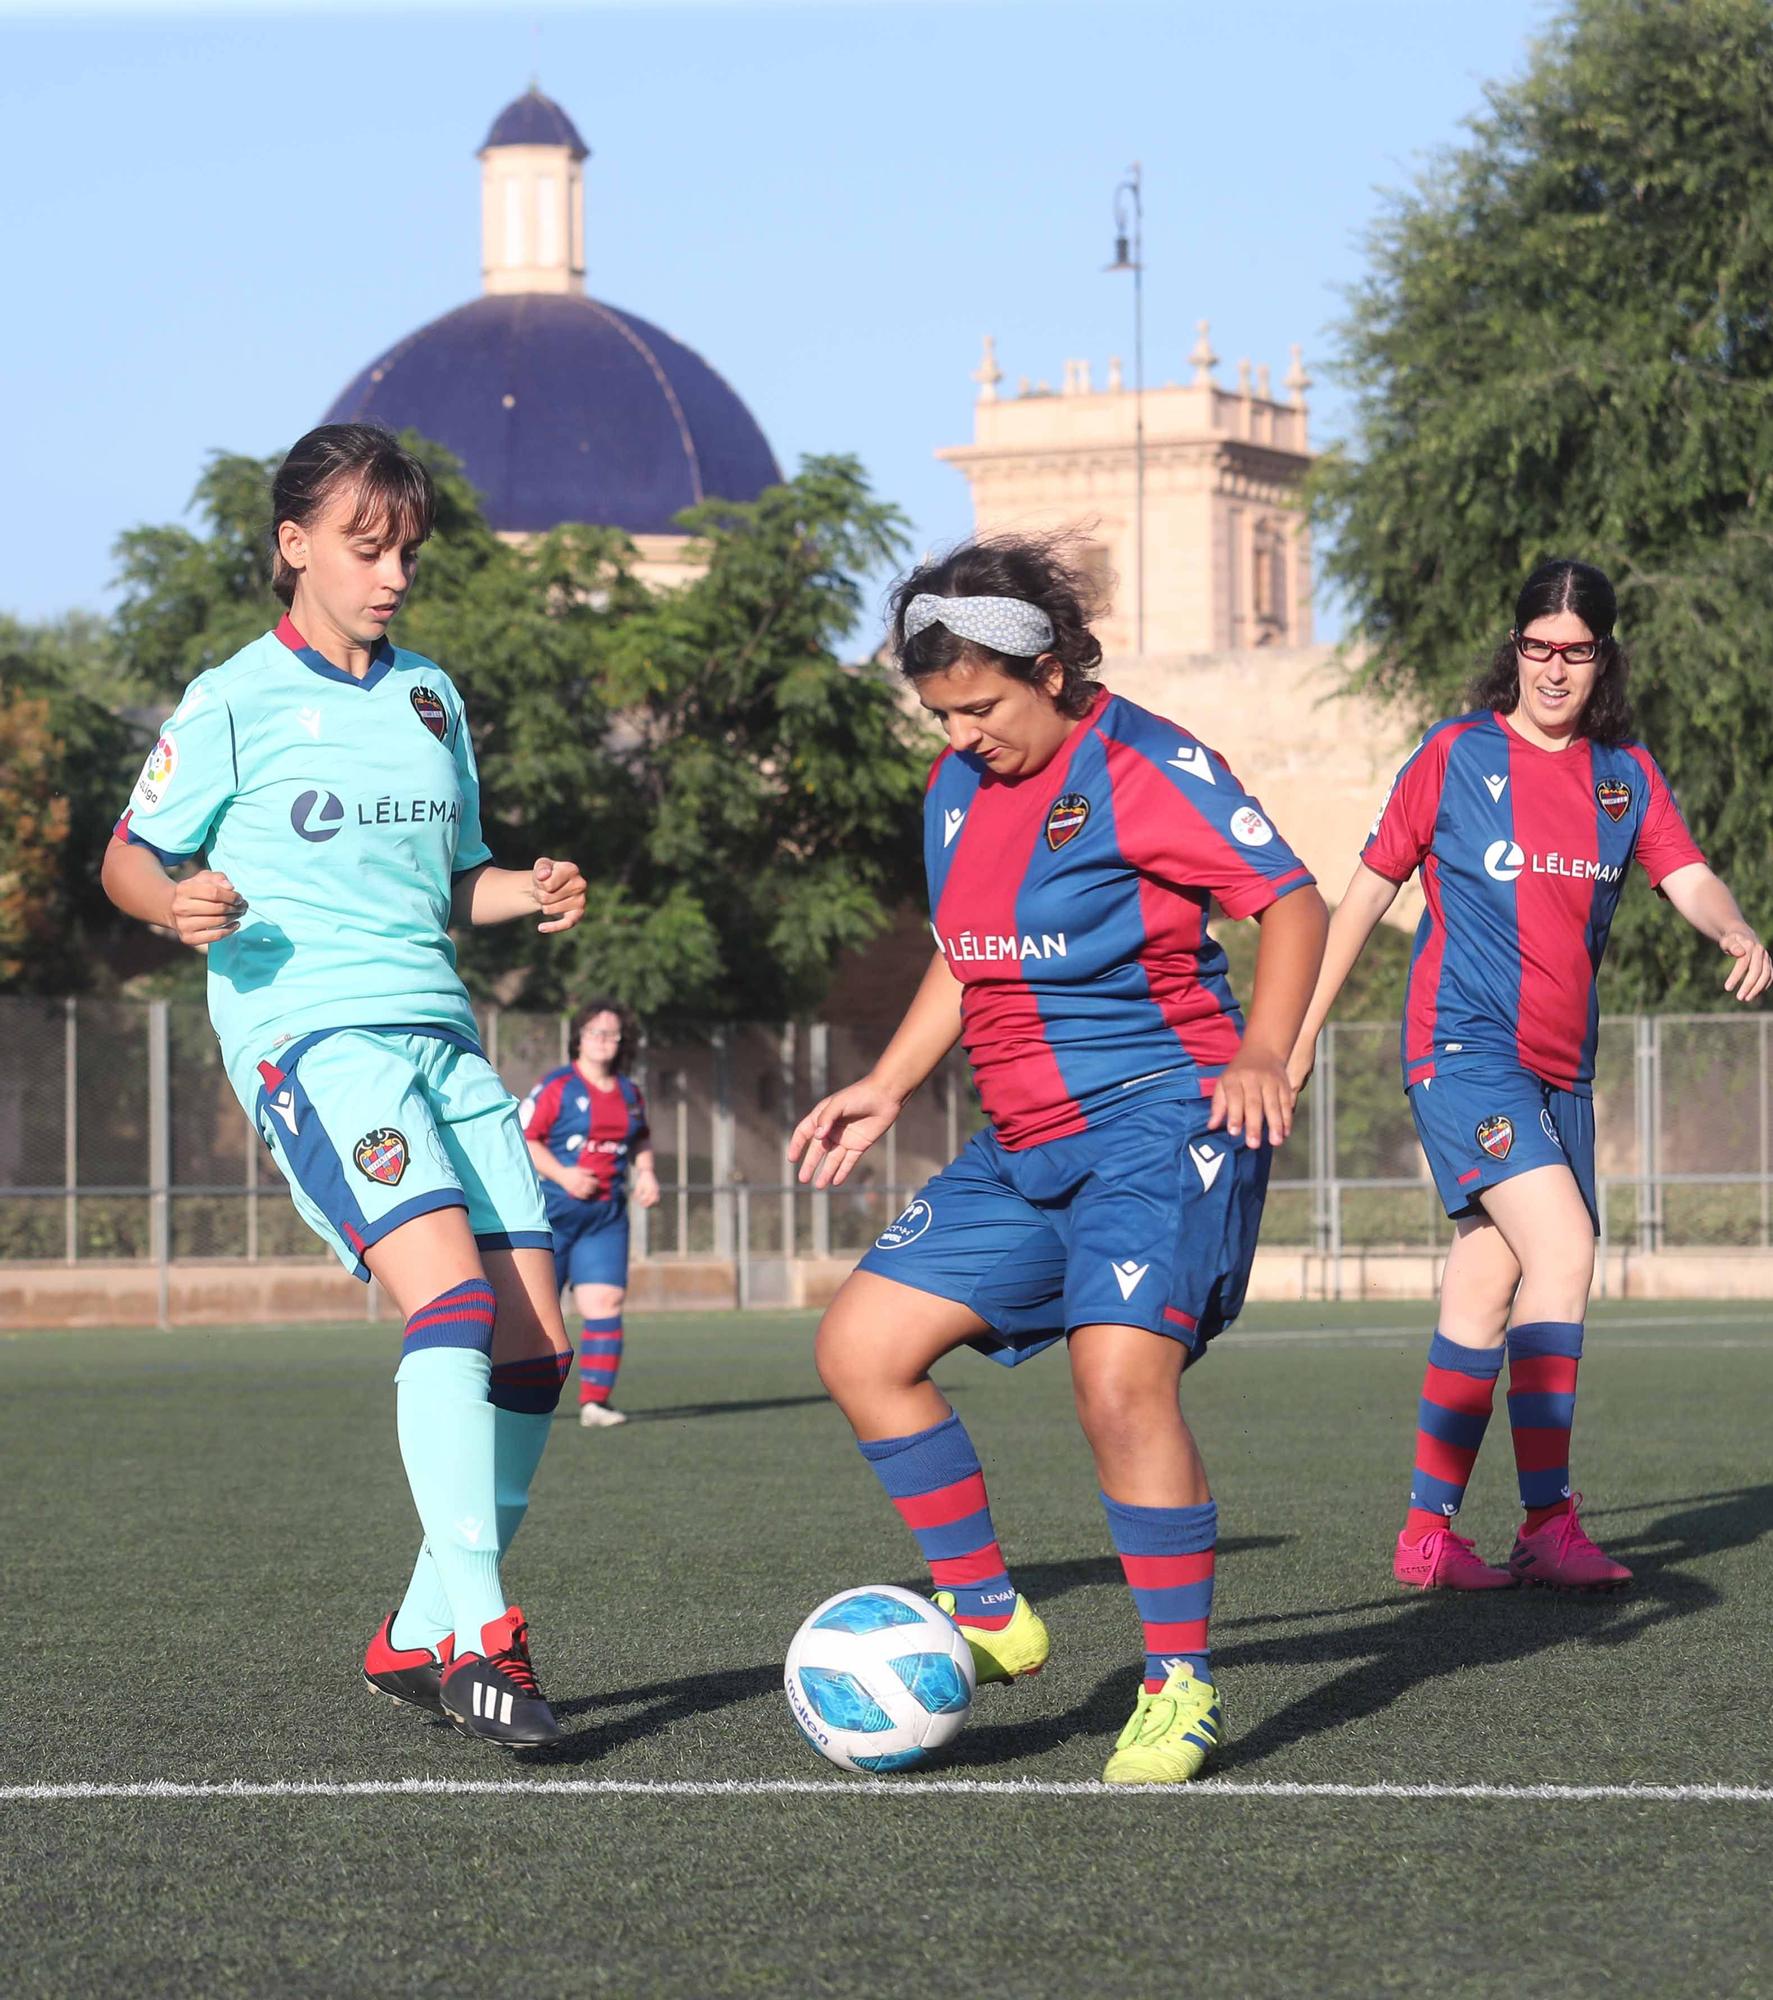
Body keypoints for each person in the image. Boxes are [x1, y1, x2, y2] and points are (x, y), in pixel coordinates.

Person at [788, 535, 1328, 1785]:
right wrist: (885, 1081)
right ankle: (984, 1609)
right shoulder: (954, 790)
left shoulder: (1147, 765)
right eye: (942, 711)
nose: (963, 730)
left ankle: (1179, 1684)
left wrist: (1263, 1048)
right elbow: (967, 950)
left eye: (980, 705)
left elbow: (1289, 901)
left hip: (1165, 1120)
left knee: (1118, 1380)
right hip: (1024, 1141)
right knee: (859, 1350)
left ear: (1048, 666)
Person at [102, 422, 589, 1747]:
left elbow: (452, 884)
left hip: (442, 1037)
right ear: (294, 545)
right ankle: (487, 1640)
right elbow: (130, 858)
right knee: (443, 1302)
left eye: (406, 553)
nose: (391, 576)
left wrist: (526, 888)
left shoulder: (432, 695)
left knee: (539, 1353)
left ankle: (416, 1634)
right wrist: (176, 904)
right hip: (316, 1042)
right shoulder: (232, 699)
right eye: (366, 549)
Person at [1289, 557, 1770, 1593]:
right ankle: (1548, 1520)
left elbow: (1683, 868)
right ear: (1514, 650)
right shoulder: (1456, 754)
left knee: (1488, 1277)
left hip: (1563, 1071)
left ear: (1604, 658)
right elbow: (1365, 893)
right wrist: (1300, 1033)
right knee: (1566, 1243)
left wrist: (1733, 923)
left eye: (1577, 650)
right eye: (1539, 647)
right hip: (1463, 1047)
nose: (1556, 668)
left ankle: (1428, 1534)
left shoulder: (1623, 773)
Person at [522, 1000, 661, 1427]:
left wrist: (647, 1173)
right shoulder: (558, 1086)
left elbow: (639, 1139)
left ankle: (595, 1403)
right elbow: (525, 1139)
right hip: (552, 1215)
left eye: (612, 1034)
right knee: (534, 1314)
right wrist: (564, 1176)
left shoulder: (628, 1092)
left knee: (605, 1300)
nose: (604, 1041)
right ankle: (516, 1406)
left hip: (604, 1217)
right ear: (578, 1038)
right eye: (595, 1033)